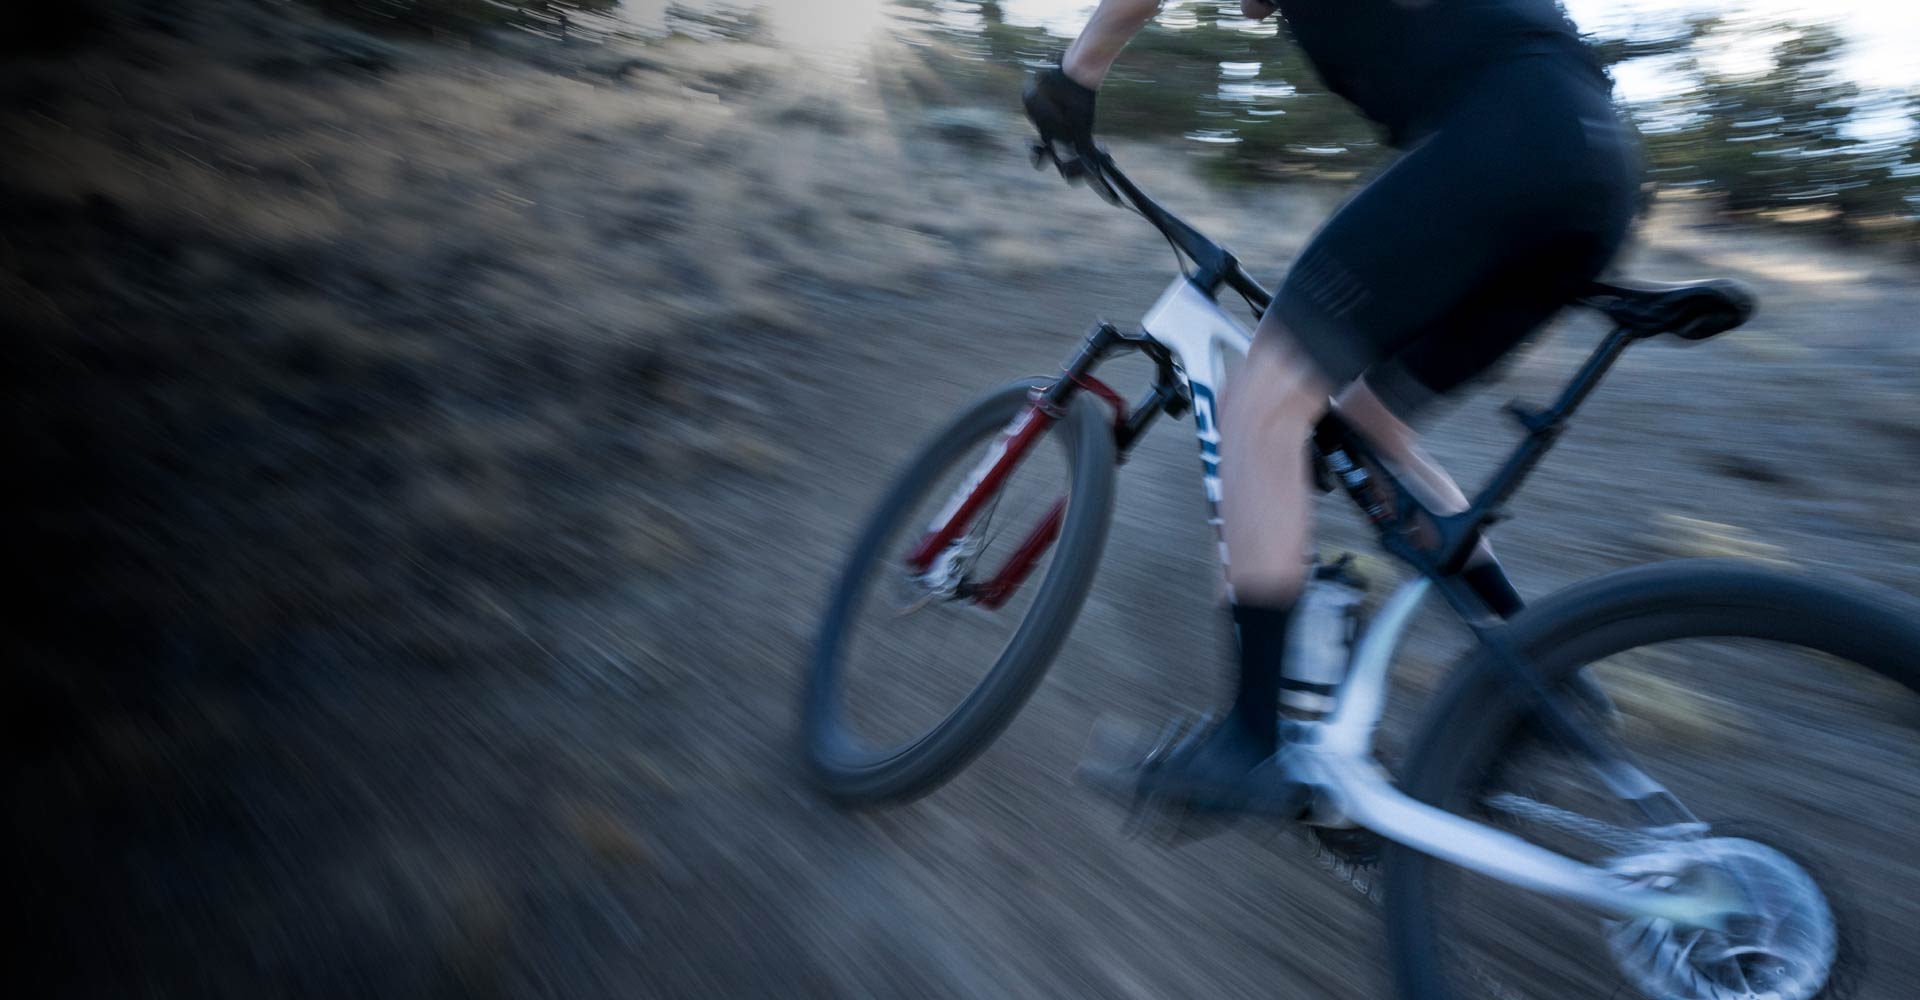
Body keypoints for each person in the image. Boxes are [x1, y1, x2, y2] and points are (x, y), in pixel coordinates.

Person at [1024, 0, 1641, 812]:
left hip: (1508, 136)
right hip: (1596, 165)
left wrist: (1076, 77)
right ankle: (1544, 678)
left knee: (1261, 403)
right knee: (1364, 426)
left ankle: (1251, 743)